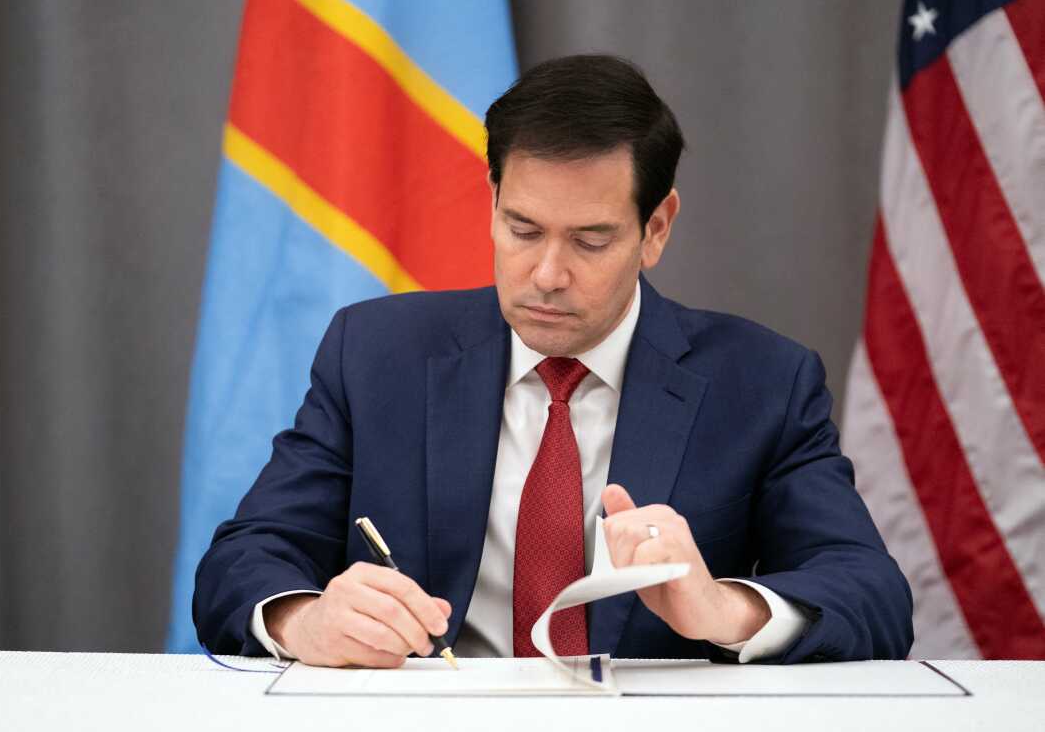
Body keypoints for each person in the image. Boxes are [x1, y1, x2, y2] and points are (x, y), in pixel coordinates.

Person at [193, 54, 913, 666]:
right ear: (493, 203)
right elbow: (244, 558)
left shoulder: (763, 382)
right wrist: (304, 620)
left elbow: (873, 595)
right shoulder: (377, 353)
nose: (546, 274)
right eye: (523, 229)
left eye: (590, 241)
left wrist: (726, 609)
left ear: (656, 228)